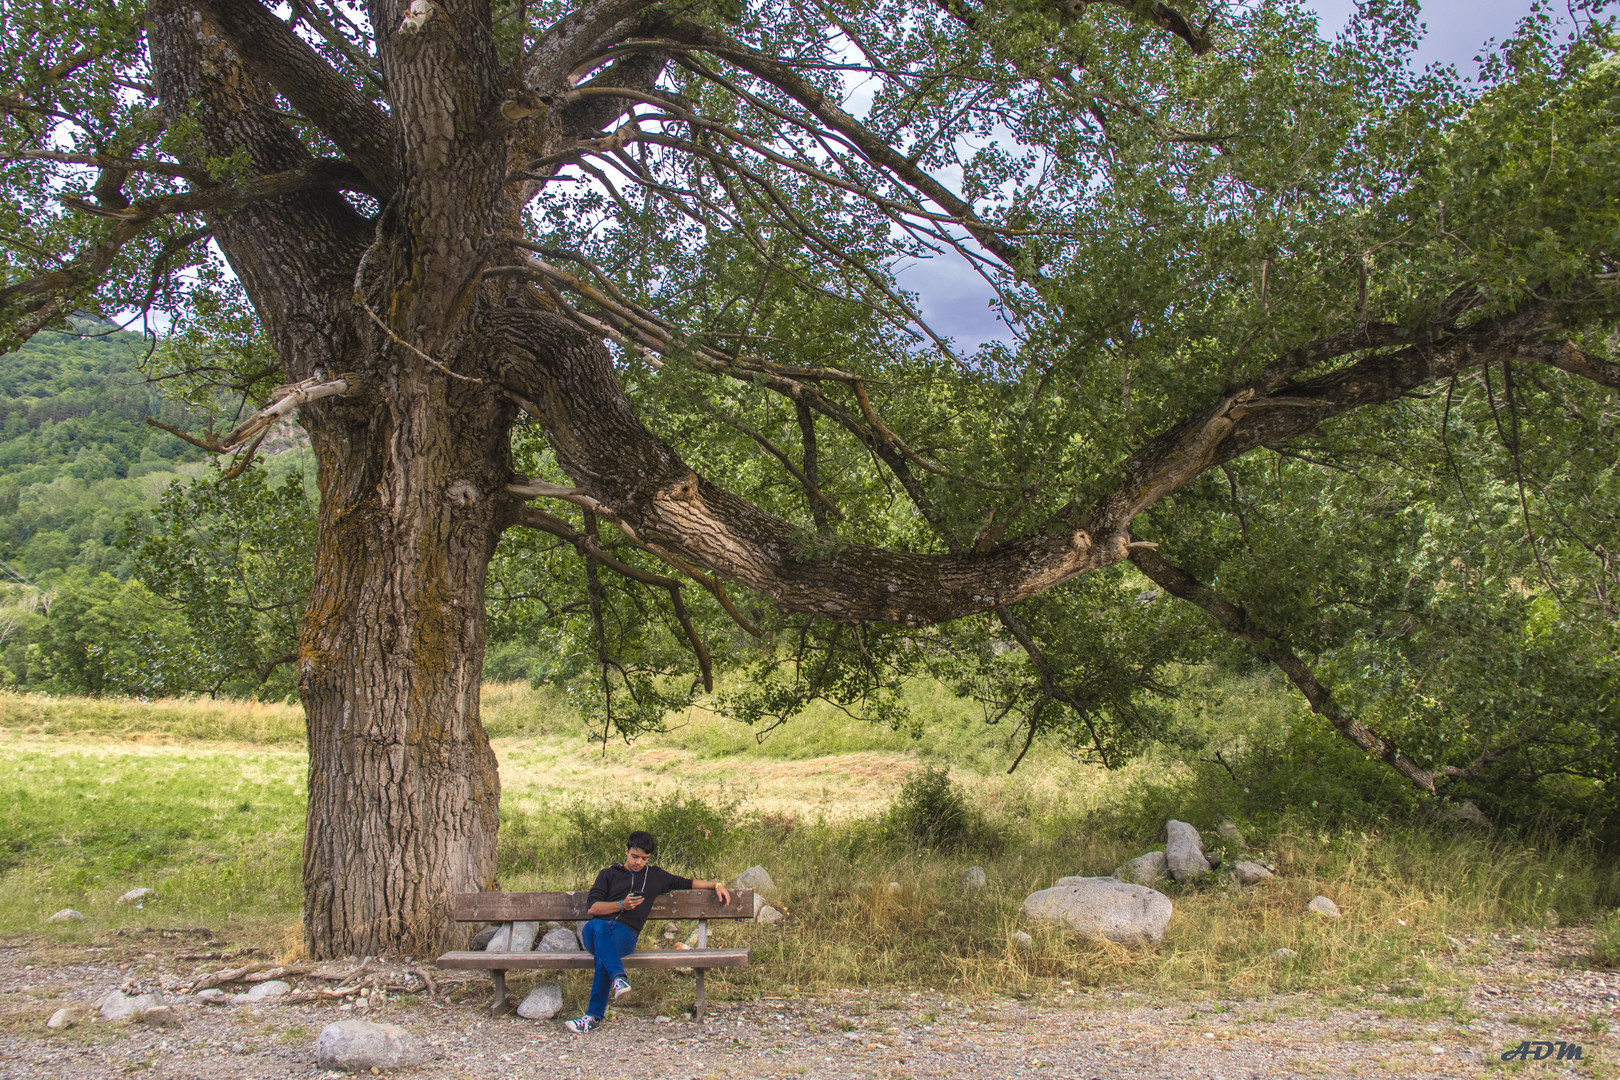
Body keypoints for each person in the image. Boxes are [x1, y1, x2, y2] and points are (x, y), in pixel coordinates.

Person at [563, 830, 731, 1032]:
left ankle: (592, 1018)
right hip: (595, 931)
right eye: (635, 856)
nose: (638, 863)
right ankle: (618, 978)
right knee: (599, 927)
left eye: (644, 859)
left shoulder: (655, 877)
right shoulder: (607, 874)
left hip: (624, 935)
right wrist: (621, 905)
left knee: (604, 953)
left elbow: (686, 882)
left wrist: (717, 885)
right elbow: (593, 908)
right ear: (626, 851)